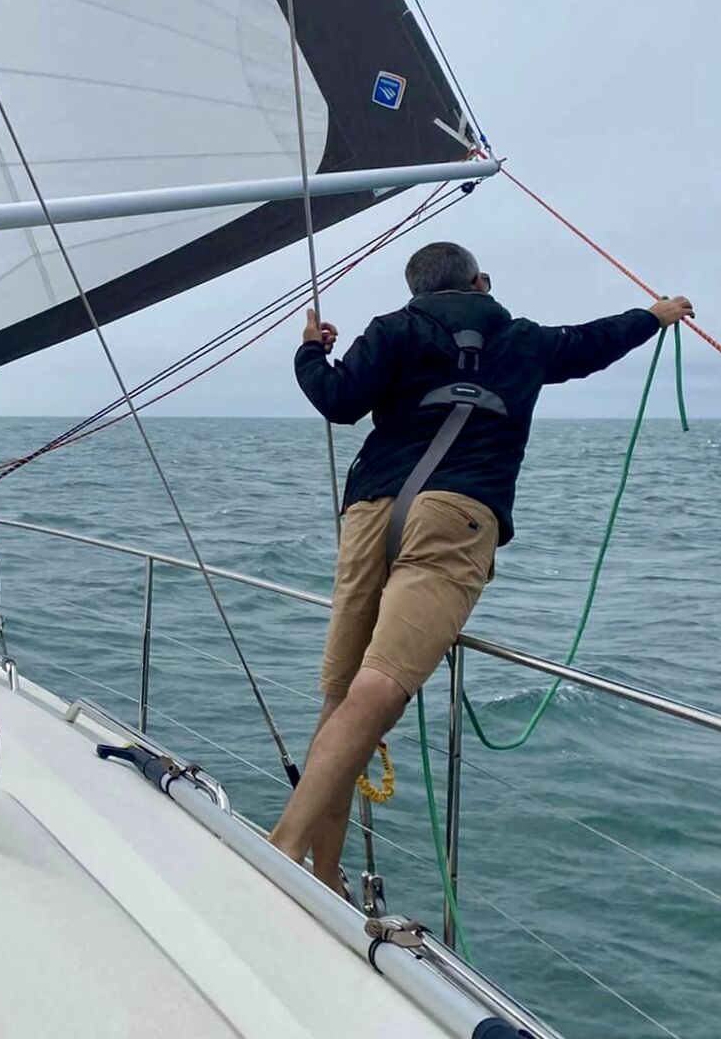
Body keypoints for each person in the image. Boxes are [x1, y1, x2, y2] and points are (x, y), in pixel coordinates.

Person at [268, 240, 692, 889]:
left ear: (416, 291)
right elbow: (591, 342)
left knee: (340, 699)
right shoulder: (522, 340)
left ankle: (324, 873)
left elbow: (339, 400)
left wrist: (309, 349)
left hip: (370, 513)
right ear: (481, 282)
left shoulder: (393, 329)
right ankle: (283, 851)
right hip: (456, 518)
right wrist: (654, 315)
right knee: (378, 688)